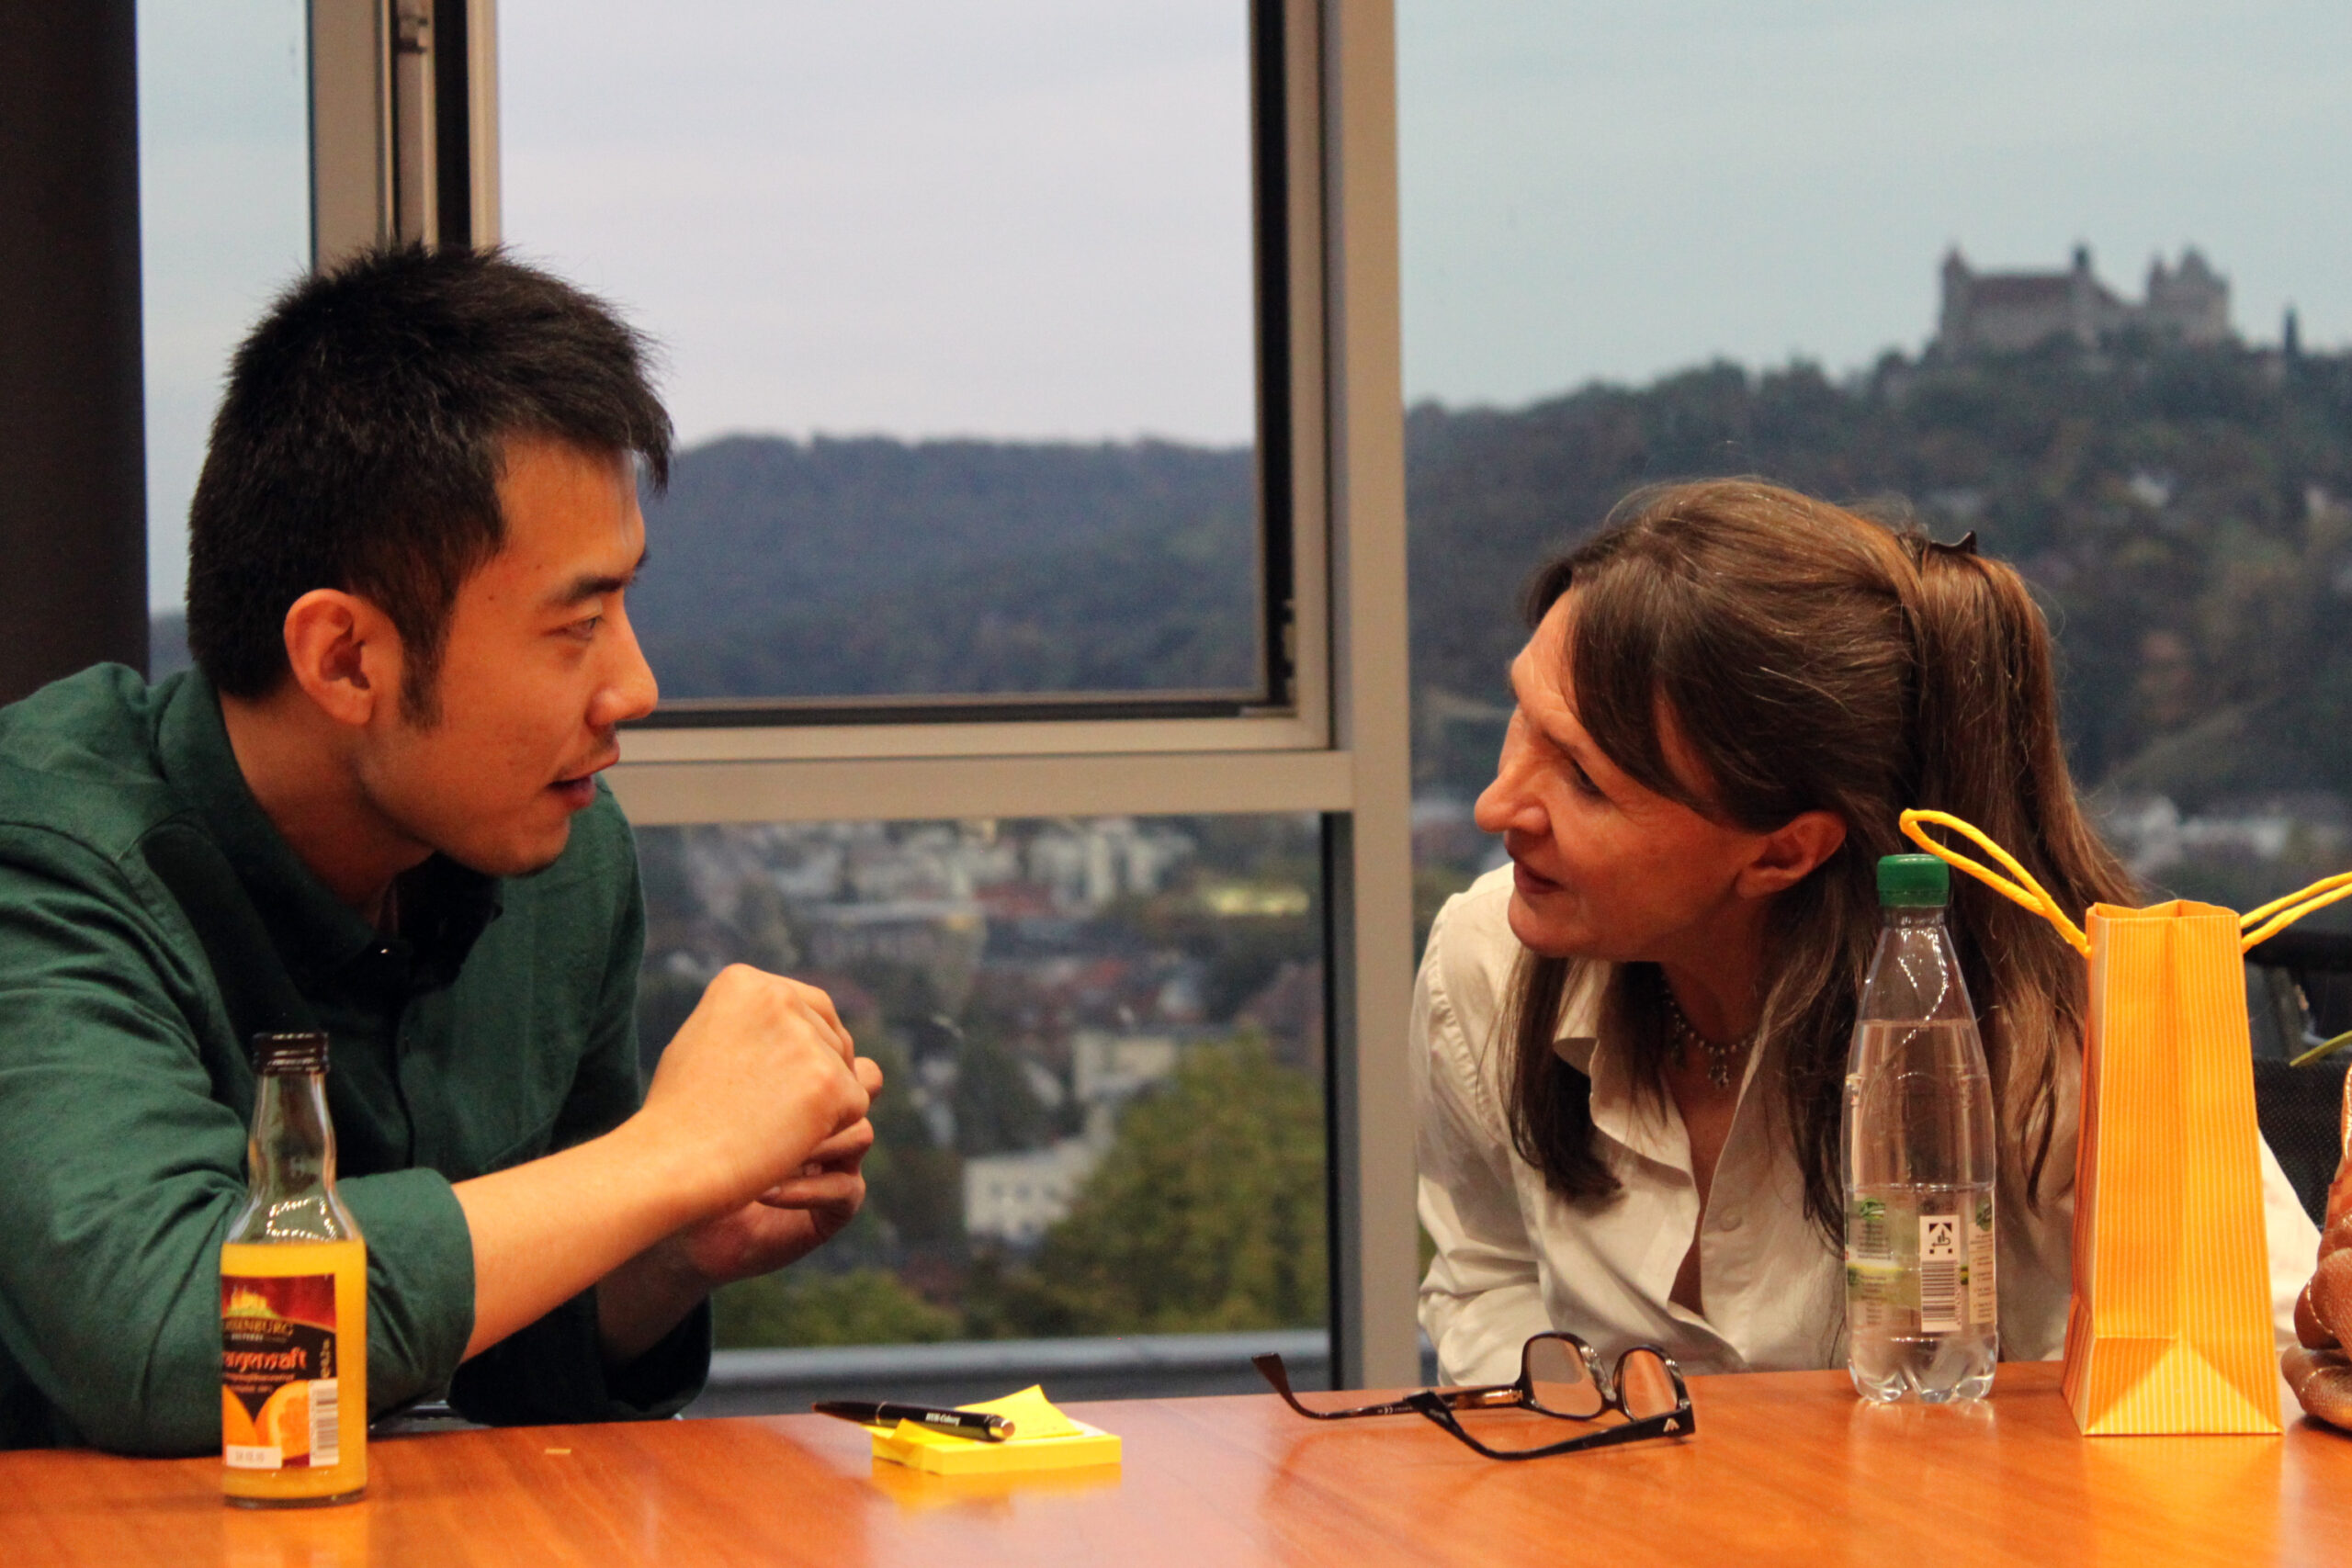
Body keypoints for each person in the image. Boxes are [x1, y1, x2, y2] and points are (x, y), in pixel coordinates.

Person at [0, 246, 882, 1452]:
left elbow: (505, 1377)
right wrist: (669, 1155)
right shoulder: (47, 860)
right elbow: (165, 1334)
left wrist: (671, 1247)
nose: (636, 682)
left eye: (625, 603)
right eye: (575, 624)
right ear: (347, 658)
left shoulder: (563, 859)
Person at [1414, 478, 2319, 1385]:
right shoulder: (1485, 959)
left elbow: (2265, 1351)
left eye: (1580, 778)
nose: (1498, 804)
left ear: (1782, 854)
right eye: (1520, 719)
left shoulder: (2045, 1023)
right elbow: (1487, 1276)